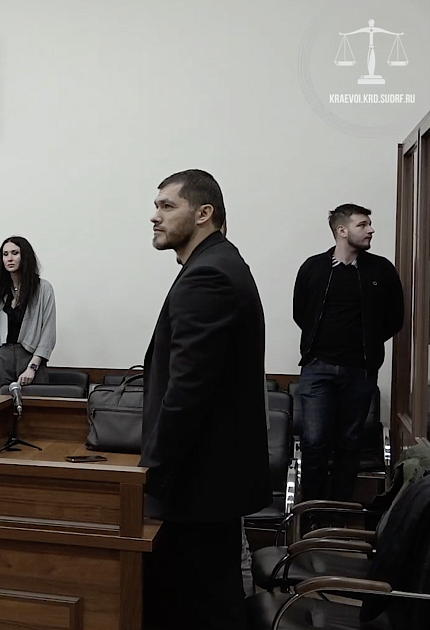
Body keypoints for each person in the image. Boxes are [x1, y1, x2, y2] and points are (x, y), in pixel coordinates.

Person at [140, 169, 270, 629]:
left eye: (167, 206)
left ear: (203, 213)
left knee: (198, 605)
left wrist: (150, 475)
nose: (155, 216)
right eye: (156, 206)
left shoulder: (208, 275)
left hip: (197, 484)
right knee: (208, 598)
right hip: (210, 480)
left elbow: (187, 392)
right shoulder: (219, 263)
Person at [293, 204, 403, 505]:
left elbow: (395, 318)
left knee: (349, 442)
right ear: (342, 231)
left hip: (360, 370)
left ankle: (340, 510)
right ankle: (312, 510)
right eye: (362, 225)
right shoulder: (314, 268)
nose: (371, 230)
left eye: (369, 224)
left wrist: (368, 342)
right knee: (315, 442)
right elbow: (301, 313)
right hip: (318, 367)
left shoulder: (381, 270)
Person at [0, 236, 57, 395]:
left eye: (15, 253)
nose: (9, 258)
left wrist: (33, 367)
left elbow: (48, 334)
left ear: (25, 256)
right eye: (5, 254)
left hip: (29, 356)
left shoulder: (44, 289)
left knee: (32, 406)